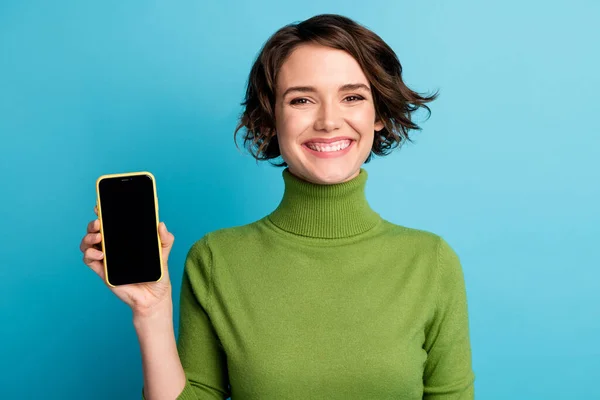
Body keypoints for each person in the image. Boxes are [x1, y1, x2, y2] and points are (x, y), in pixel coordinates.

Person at [80, 13, 475, 400]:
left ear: (379, 115)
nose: (329, 121)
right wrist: (151, 315)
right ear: (270, 120)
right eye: (302, 99)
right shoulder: (216, 260)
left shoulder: (431, 262)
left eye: (352, 97)